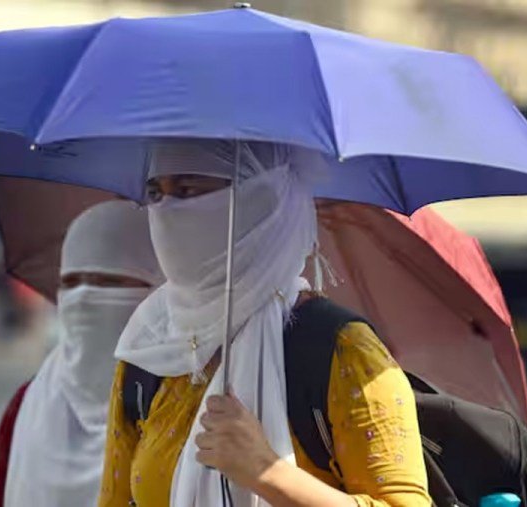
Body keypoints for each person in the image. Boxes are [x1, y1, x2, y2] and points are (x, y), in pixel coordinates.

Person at [98, 140, 432, 507]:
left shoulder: (341, 351)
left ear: (261, 200)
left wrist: (269, 473)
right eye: (155, 193)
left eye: (189, 190)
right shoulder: (152, 351)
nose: (166, 211)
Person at [0, 201, 164, 507]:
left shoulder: (183, 407)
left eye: (109, 282)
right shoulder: (28, 403)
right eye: (72, 283)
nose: (85, 296)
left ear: (158, 288)